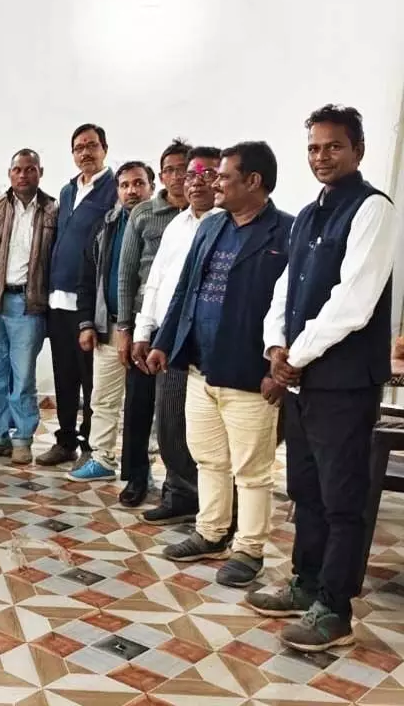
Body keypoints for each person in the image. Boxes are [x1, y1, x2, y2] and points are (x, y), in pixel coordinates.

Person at [250, 105, 398, 652]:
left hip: (343, 381)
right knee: (305, 490)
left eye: (333, 146)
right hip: (302, 378)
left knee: (342, 498)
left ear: (358, 150)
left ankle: (335, 610)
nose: (321, 156)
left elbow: (353, 300)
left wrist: (297, 354)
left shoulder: (372, 209)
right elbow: (285, 288)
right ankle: (305, 583)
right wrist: (274, 345)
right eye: (314, 147)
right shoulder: (310, 214)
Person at [148, 141, 291, 588]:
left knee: (252, 471)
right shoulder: (212, 225)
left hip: (250, 375)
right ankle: (210, 532)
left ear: (254, 181)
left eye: (225, 176)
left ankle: (248, 549)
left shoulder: (285, 232)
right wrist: (164, 343)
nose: (215, 183)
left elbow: (294, 306)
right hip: (199, 367)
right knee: (209, 459)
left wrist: (279, 369)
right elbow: (185, 289)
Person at [134, 146, 222, 525]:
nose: (196, 183)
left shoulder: (227, 225)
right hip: (169, 337)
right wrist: (144, 330)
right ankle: (180, 493)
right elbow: (156, 281)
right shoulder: (178, 224)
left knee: (208, 432)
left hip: (209, 342)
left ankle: (217, 506)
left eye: (207, 174)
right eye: (191, 176)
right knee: (169, 423)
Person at [115, 139, 192, 508]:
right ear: (161, 176)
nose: (177, 177)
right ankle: (136, 476)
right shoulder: (144, 213)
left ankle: (183, 483)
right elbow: (127, 272)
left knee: (179, 413)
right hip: (148, 322)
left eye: (184, 169)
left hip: (189, 325)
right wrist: (125, 328)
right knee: (139, 405)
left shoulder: (211, 213)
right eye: (170, 170)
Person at [0, 149, 57, 464]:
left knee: (23, 376)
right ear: (9, 174)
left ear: (40, 172)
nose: (23, 175)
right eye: (17, 169)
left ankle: (22, 439)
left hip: (28, 307)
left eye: (30, 169)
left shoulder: (53, 211)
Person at [39, 124, 117, 466]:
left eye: (92, 146)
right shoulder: (68, 190)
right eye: (79, 147)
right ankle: (65, 440)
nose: (85, 152)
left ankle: (90, 446)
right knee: (64, 377)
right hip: (57, 301)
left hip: (88, 304)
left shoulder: (114, 189)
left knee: (92, 381)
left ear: (104, 149)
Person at [73, 162, 155, 484]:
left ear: (151, 187)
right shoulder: (106, 225)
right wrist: (86, 323)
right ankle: (101, 459)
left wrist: (135, 329)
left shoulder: (163, 225)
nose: (131, 191)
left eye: (139, 183)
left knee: (142, 405)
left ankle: (141, 469)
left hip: (146, 332)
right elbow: (87, 276)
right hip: (107, 327)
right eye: (124, 185)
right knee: (103, 398)